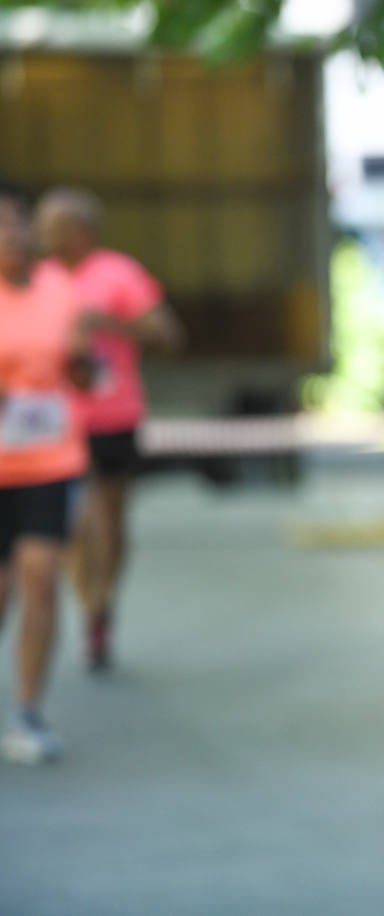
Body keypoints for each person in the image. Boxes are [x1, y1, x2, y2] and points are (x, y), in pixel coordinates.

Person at [35, 187, 182, 671]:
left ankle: (103, 602)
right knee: (80, 523)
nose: (45, 237)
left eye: (56, 228)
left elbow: (166, 333)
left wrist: (111, 323)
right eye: (42, 227)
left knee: (110, 520)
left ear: (83, 232)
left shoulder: (118, 274)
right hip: (55, 424)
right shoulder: (37, 279)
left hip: (112, 416)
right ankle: (89, 605)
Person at [0, 182, 93, 763]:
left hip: (50, 458)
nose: (12, 236)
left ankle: (28, 710)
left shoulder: (61, 290)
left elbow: (81, 376)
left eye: (18, 224)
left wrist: (84, 365)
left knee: (39, 575)